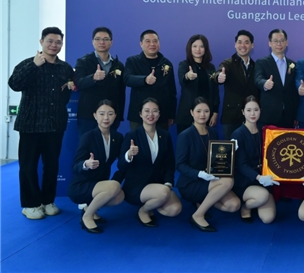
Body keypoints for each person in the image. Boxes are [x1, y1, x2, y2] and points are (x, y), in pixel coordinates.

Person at [8, 27, 75, 220]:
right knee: (28, 166)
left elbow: (65, 95)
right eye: (50, 41)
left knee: (52, 166)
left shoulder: (65, 68)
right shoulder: (28, 64)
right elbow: (14, 84)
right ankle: (30, 204)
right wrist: (33, 66)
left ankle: (47, 201)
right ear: (41, 42)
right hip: (30, 124)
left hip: (55, 125)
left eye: (58, 42)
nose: (54, 45)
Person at [176, 97, 240, 232]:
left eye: (206, 111)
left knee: (234, 205)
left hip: (210, 179)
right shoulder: (185, 135)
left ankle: (202, 202)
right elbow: (180, 165)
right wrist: (199, 174)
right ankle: (198, 215)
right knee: (228, 181)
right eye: (198, 111)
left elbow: (217, 158)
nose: (202, 114)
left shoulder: (213, 132)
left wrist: (230, 151)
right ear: (191, 112)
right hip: (191, 183)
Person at [118, 98, 182, 227]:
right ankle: (143, 211)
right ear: (140, 114)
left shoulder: (165, 135)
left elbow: (169, 163)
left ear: (159, 114)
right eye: (147, 111)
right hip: (137, 185)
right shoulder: (132, 135)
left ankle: (154, 201)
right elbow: (121, 165)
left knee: (175, 209)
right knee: (164, 193)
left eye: (155, 111)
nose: (151, 114)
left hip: (158, 184)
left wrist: (168, 183)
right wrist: (129, 155)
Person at [68, 100, 125, 233]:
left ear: (115, 116)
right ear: (95, 115)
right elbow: (75, 166)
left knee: (119, 195)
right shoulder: (87, 137)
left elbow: (122, 162)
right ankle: (87, 217)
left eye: (110, 114)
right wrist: (86, 164)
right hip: (81, 185)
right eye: (102, 114)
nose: (106, 118)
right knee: (114, 186)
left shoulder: (117, 137)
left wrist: (129, 155)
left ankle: (89, 209)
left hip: (100, 183)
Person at [233, 96, 278, 224]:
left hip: (264, 178)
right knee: (263, 196)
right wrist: (259, 178)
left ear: (260, 111)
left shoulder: (265, 130)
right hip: (246, 180)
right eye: (248, 110)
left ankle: (256, 202)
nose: (252, 114)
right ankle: (246, 207)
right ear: (243, 112)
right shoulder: (238, 134)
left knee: (268, 218)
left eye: (256, 110)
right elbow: (241, 165)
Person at [74, 27, 126, 136]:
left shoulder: (118, 65)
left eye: (106, 39)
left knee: (109, 145)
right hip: (88, 116)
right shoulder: (83, 62)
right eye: (98, 39)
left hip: (110, 116)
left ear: (111, 42)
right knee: (87, 145)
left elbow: (121, 92)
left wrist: (119, 116)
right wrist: (93, 78)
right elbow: (79, 83)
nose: (102, 42)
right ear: (93, 42)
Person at [124, 29, 177, 131]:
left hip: (161, 114)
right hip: (138, 114)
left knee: (161, 140)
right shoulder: (132, 61)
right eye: (148, 41)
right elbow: (127, 79)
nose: (152, 44)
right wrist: (144, 80)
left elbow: (172, 91)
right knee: (137, 140)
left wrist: (171, 114)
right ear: (141, 44)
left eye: (155, 41)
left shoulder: (167, 63)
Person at [217, 30, 259, 141]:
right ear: (235, 45)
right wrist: (219, 77)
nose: (243, 45)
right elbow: (219, 73)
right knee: (231, 149)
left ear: (252, 45)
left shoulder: (256, 66)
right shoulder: (228, 63)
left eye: (246, 42)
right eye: (239, 42)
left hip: (250, 118)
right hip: (231, 117)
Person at [254, 29, 299, 129]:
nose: (279, 44)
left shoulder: (293, 64)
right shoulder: (262, 62)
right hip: (269, 116)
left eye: (282, 40)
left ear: (286, 42)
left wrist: (295, 115)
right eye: (275, 41)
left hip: (288, 116)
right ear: (269, 43)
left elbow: (294, 92)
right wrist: (264, 83)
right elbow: (258, 79)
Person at [176, 35, 219, 135]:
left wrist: (215, 112)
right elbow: (182, 81)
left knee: (205, 142)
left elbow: (215, 91)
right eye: (194, 46)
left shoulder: (210, 67)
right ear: (189, 48)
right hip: (186, 115)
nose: (198, 49)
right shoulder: (184, 65)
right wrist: (188, 76)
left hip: (206, 115)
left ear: (206, 48)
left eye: (201, 46)